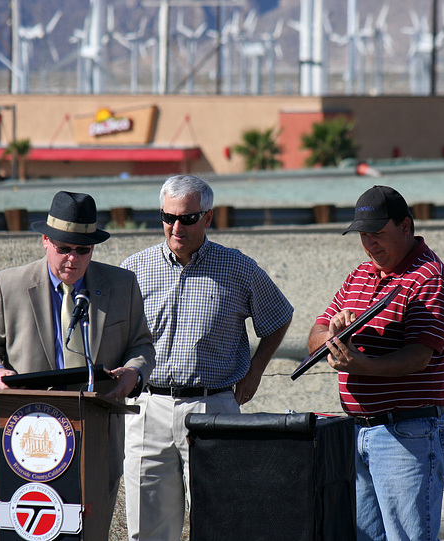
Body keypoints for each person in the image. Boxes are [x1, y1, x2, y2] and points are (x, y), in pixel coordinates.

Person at [0, 190, 155, 526]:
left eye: (83, 250)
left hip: (94, 444)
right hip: (23, 442)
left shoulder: (121, 285)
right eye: (64, 248)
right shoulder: (8, 286)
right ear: (45, 241)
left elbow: (142, 345)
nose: (73, 258)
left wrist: (133, 374)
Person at [121, 174, 294, 541]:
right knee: (146, 531)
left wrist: (256, 371)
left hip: (212, 407)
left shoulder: (239, 268)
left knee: (219, 524)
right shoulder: (134, 268)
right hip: (147, 410)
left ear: (208, 218)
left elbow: (279, 317)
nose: (176, 226)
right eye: (168, 217)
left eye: (187, 218)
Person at [308, 185, 444, 541]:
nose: (370, 244)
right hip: (359, 431)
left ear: (405, 226)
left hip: (408, 433)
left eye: (377, 233)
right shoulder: (360, 274)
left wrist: (360, 365)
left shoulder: (430, 278)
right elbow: (315, 333)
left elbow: (420, 356)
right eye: (363, 235)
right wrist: (332, 337)